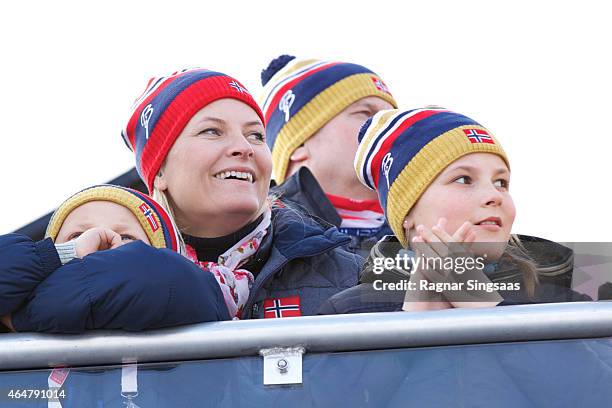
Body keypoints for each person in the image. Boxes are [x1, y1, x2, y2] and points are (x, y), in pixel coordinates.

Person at [120, 68, 361, 319]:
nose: (244, 148)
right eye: (212, 131)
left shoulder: (349, 273)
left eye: (256, 135)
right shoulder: (122, 275)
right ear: (159, 171)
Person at [318, 108, 590, 314]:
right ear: (407, 211)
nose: (494, 196)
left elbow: (590, 386)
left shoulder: (567, 297)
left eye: (501, 182)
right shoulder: (350, 311)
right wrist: (412, 329)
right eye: (464, 179)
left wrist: (483, 305)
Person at [0, 185, 230, 333]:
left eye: (126, 237)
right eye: (77, 235)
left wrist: (19, 318)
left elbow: (153, 275)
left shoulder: (189, 292)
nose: (100, 241)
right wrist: (66, 254)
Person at [260, 55, 398, 254]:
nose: (391, 128)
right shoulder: (252, 234)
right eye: (366, 113)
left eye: (393, 119)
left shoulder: (430, 228)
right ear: (300, 144)